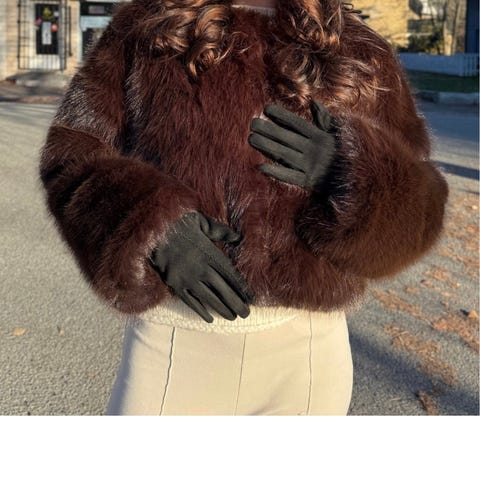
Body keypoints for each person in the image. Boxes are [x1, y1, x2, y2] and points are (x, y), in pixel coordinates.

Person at [38, 0, 449, 415]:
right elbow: (70, 156)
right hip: (173, 346)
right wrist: (147, 223)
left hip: (306, 356)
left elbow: (421, 208)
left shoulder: (357, 49)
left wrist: (353, 172)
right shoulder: (147, 27)